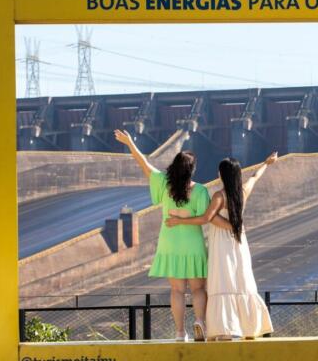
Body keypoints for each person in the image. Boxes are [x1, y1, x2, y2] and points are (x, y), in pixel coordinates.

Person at [114, 129, 227, 342]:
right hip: (193, 243)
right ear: (192, 170)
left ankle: (179, 332)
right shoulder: (201, 191)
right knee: (198, 289)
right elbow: (206, 217)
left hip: (170, 244)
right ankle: (200, 322)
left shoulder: (165, 186)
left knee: (176, 291)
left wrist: (130, 144)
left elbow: (145, 165)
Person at [166, 153, 276, 341]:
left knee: (222, 281)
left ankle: (223, 331)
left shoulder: (219, 196)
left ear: (222, 175)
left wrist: (179, 221)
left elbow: (205, 219)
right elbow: (255, 177)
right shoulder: (243, 191)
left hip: (221, 244)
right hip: (239, 243)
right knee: (241, 280)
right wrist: (267, 163)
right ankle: (250, 328)